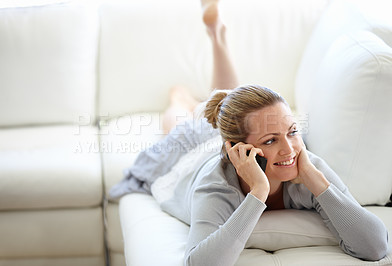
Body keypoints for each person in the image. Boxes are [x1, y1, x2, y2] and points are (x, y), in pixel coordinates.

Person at [110, 0, 389, 265]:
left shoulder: (308, 166)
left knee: (227, 102)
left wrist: (318, 182)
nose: (290, 150)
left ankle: (217, 34)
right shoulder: (214, 185)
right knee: (184, 122)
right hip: (196, 154)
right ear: (237, 151)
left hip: (230, 127)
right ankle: (178, 98)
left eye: (292, 131)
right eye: (270, 140)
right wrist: (258, 193)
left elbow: (376, 246)